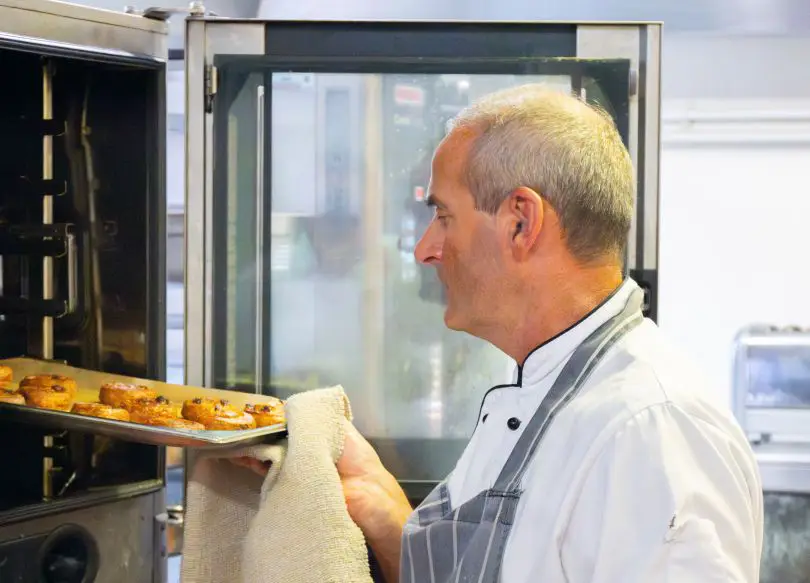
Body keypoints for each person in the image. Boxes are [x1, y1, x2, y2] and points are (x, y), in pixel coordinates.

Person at [245, 85, 765, 582]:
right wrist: (376, 499)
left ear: (521, 222)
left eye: (444, 217)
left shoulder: (652, 431)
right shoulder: (538, 395)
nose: (425, 249)